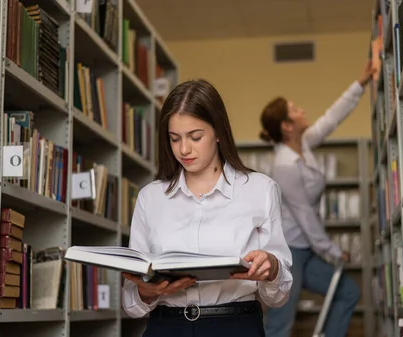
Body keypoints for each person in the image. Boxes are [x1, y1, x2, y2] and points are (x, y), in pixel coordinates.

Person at [121, 79, 293, 337]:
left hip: (235, 327)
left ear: (219, 132)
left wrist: (272, 268)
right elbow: (131, 305)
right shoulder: (150, 197)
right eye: (174, 138)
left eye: (195, 137)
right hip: (166, 327)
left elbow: (279, 298)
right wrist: (147, 291)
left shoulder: (260, 189)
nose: (184, 149)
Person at [259, 61, 375, 337]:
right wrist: (332, 251)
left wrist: (361, 83)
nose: (303, 111)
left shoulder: (304, 144)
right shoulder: (284, 165)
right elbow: (304, 215)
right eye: (296, 110)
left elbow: (331, 118)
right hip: (288, 252)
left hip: (306, 249)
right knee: (280, 325)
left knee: (347, 292)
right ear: (287, 126)